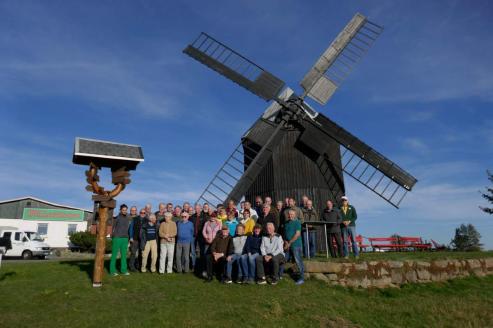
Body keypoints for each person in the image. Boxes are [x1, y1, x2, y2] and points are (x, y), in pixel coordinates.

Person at [280, 209, 305, 285]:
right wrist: (285, 242)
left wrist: (289, 242)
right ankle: (279, 275)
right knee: (283, 259)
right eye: (289, 214)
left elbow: (297, 234)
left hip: (296, 245)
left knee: (298, 261)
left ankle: (301, 278)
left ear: (295, 215)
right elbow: (285, 234)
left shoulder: (297, 222)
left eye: (292, 214)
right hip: (288, 245)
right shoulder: (286, 223)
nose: (290, 215)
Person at [110, 204, 131, 276]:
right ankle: (112, 271)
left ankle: (123, 270)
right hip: (117, 238)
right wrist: (112, 235)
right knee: (114, 255)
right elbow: (112, 227)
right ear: (120, 210)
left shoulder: (128, 217)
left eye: (126, 210)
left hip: (125, 238)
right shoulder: (116, 217)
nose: (125, 211)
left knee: (124, 255)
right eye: (123, 210)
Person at [190, 203, 208, 271]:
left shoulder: (204, 217)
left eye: (198, 208)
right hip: (193, 236)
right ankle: (194, 266)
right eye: (196, 208)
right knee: (193, 251)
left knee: (202, 251)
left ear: (201, 209)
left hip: (201, 236)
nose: (197, 210)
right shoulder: (192, 217)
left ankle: (202, 266)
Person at [128, 207, 146, 272]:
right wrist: (131, 237)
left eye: (144, 213)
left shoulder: (146, 220)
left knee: (141, 253)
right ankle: (131, 266)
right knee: (133, 253)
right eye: (141, 212)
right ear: (139, 213)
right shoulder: (135, 219)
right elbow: (131, 228)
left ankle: (138, 266)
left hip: (142, 240)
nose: (142, 214)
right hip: (135, 239)